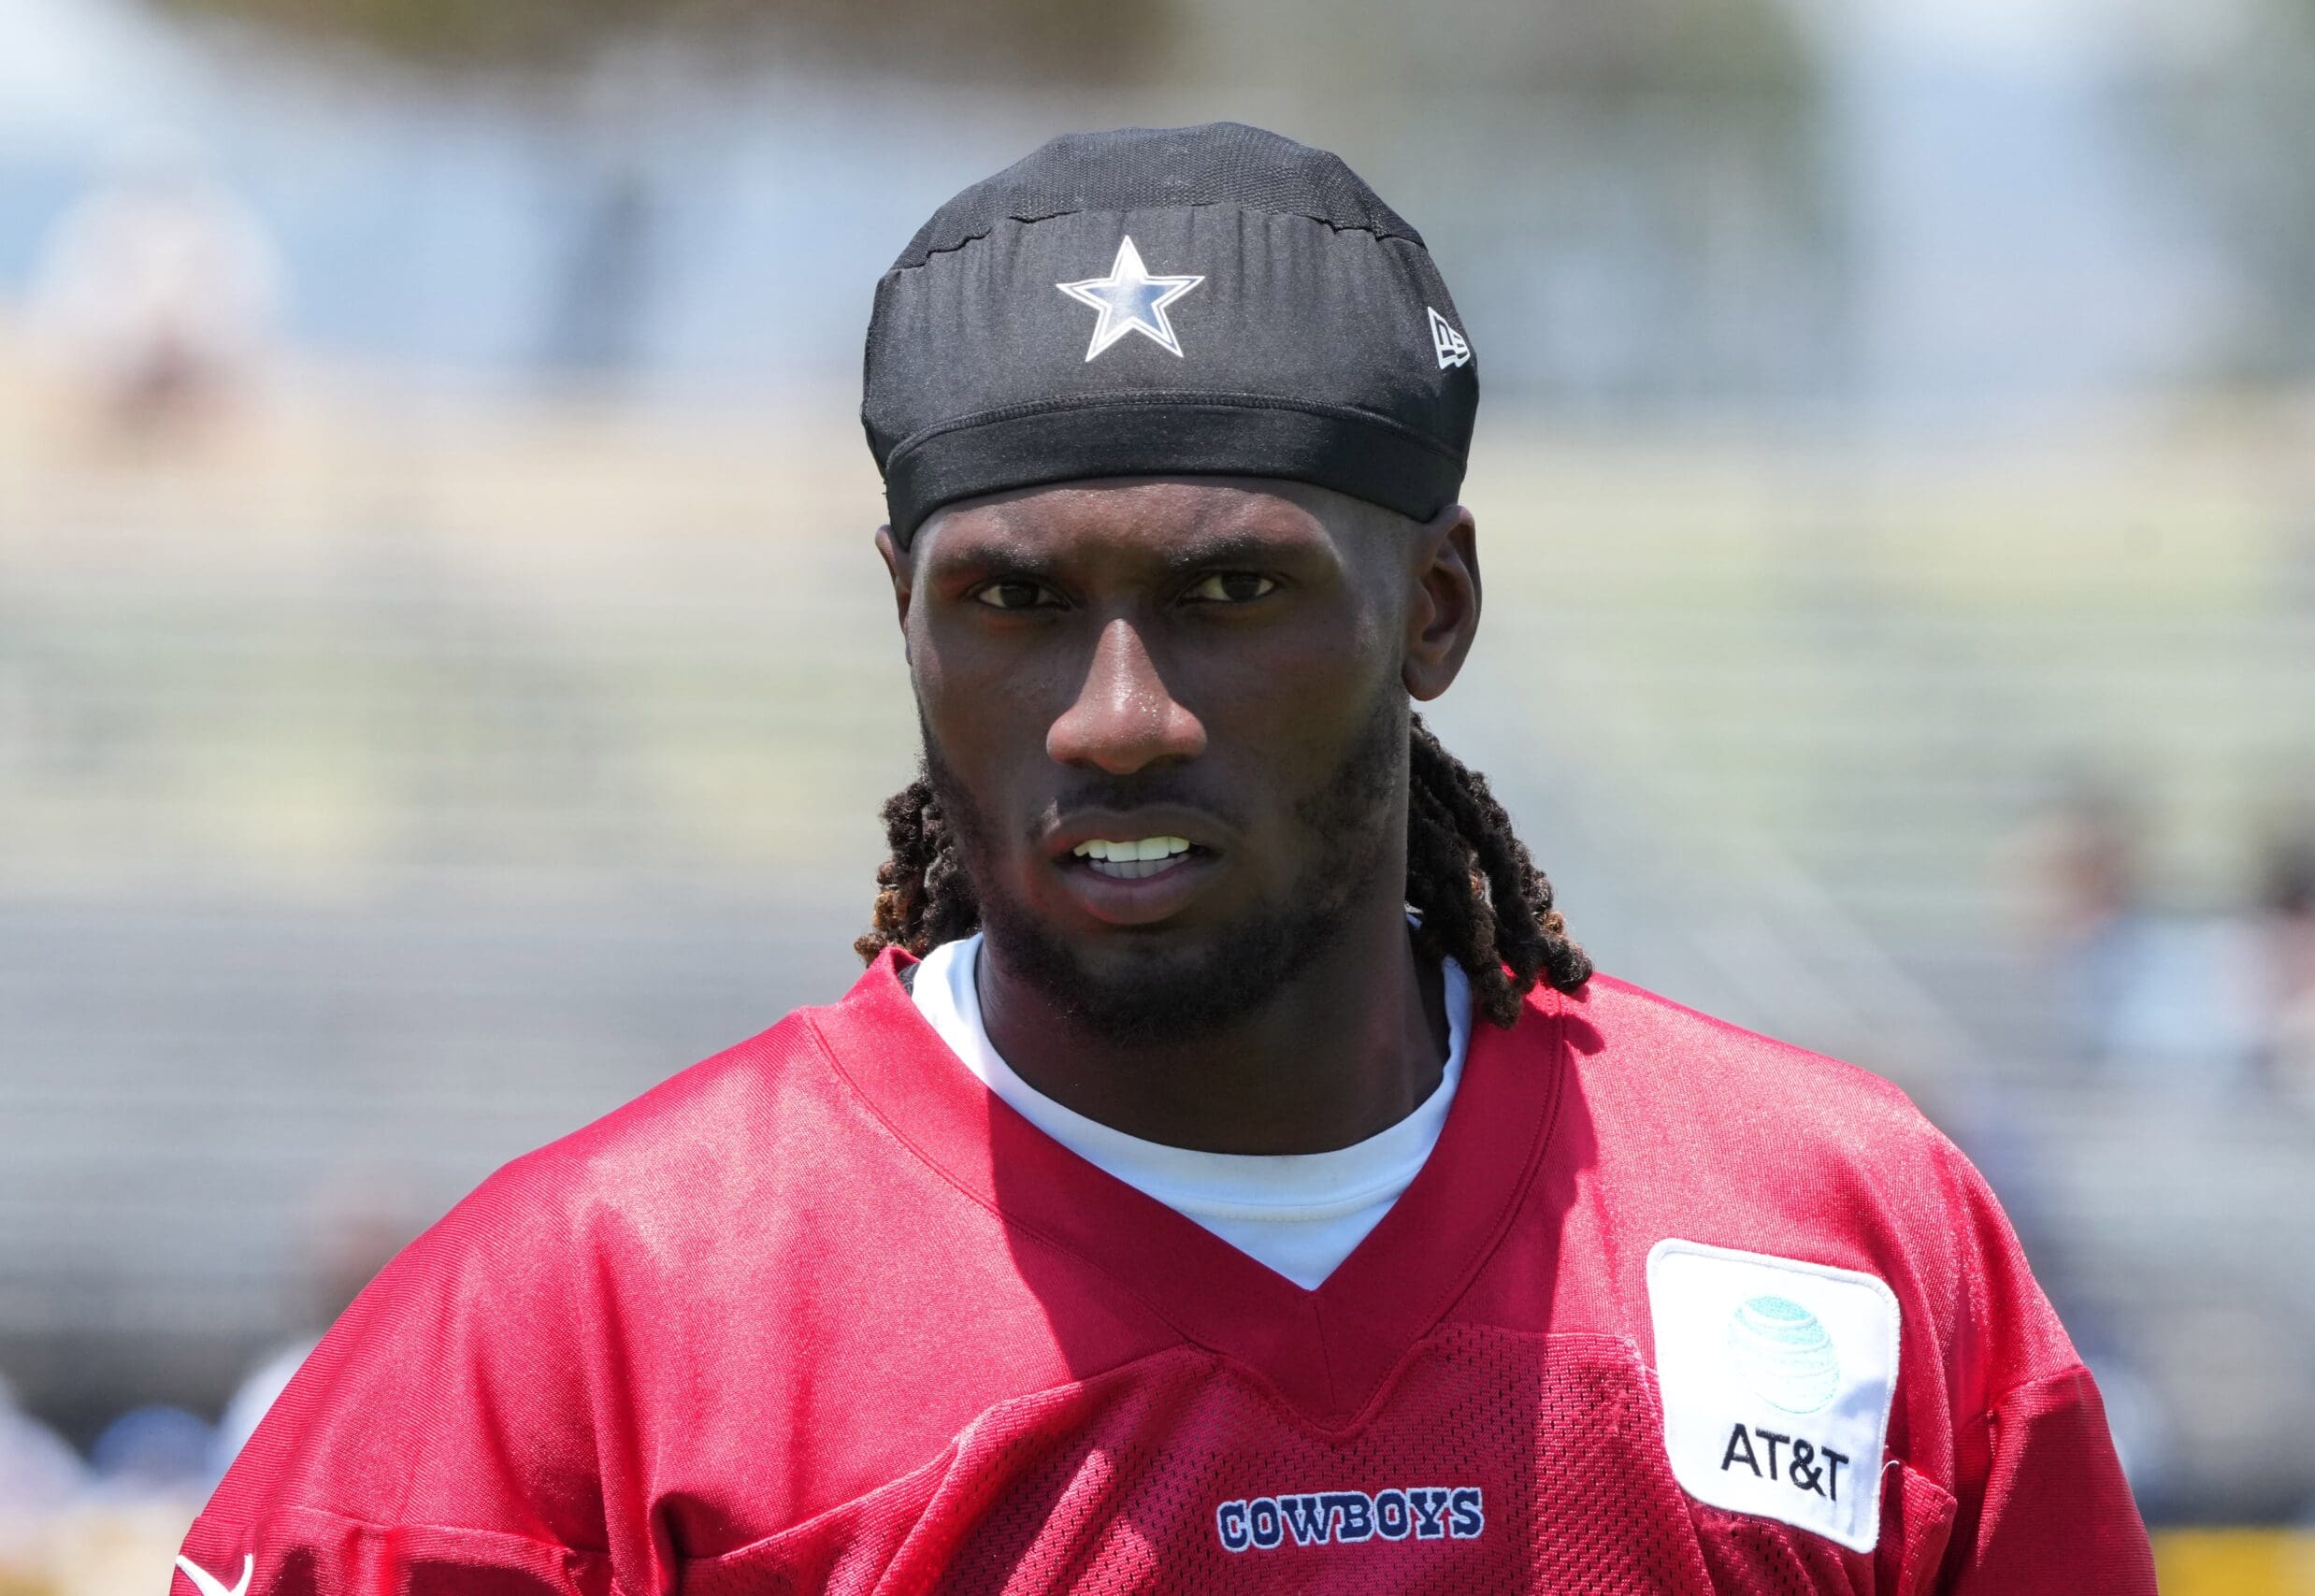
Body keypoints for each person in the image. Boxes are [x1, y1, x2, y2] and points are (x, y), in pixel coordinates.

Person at [173, 123, 2156, 1594]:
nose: (1116, 709)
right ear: (906, 620)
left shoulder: (1845, 1238)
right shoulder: (576, 1327)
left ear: (1435, 605)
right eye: (1015, 599)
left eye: (1231, 585)